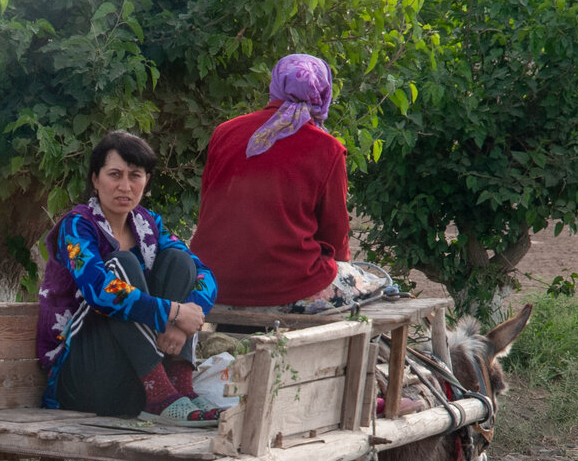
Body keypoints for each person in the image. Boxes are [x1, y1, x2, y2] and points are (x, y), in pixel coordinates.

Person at [36, 131, 220, 426]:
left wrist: (182, 325)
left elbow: (205, 275)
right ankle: (160, 392)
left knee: (180, 261)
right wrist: (172, 313)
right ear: (95, 180)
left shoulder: (150, 226)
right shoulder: (78, 226)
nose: (125, 186)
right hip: (84, 381)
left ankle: (178, 386)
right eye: (114, 174)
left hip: (133, 380)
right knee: (121, 264)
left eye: (135, 175)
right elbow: (99, 290)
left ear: (146, 181)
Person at [190, 53, 384, 314]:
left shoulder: (224, 132)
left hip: (211, 280)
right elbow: (335, 235)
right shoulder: (328, 149)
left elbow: (209, 205)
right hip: (285, 286)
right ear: (323, 93)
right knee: (374, 284)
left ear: (275, 85)